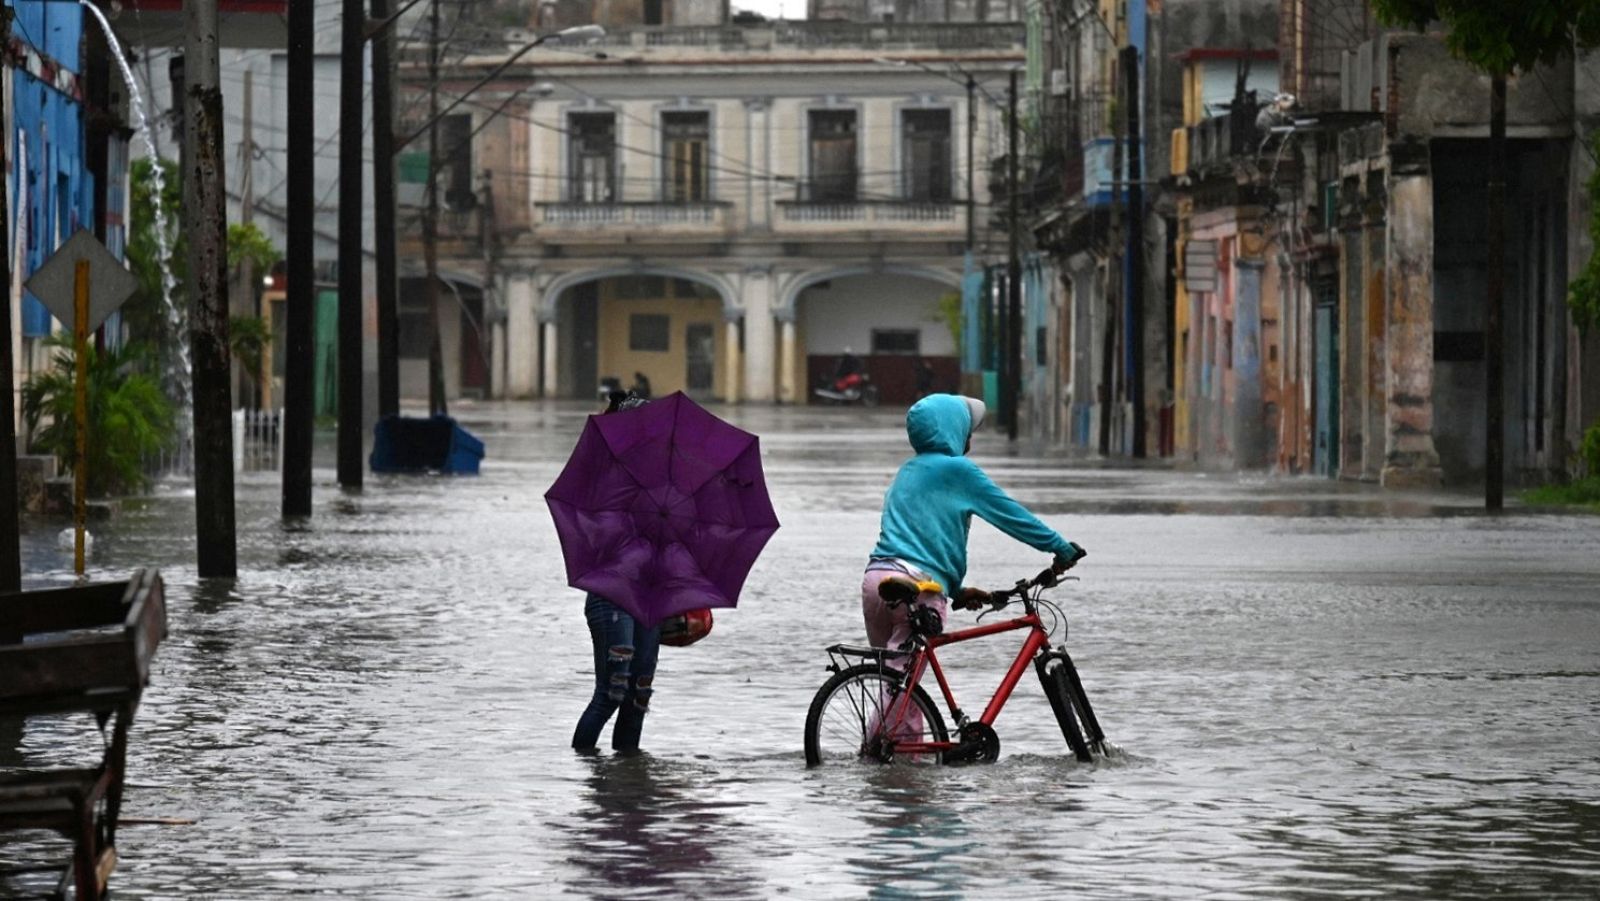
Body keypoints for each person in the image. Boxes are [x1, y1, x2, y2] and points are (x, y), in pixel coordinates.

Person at [862, 394, 1084, 659]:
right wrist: (1061, 548)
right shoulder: (959, 471)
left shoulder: (906, 472)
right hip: (917, 586)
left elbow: (915, 540)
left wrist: (957, 591)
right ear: (951, 429)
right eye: (967, 430)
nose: (970, 438)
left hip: (878, 581)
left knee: (889, 679)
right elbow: (1011, 515)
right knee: (899, 688)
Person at [572, 391, 661, 755]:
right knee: (611, 692)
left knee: (638, 697)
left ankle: (626, 786)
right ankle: (586, 775)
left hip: (649, 598)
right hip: (611, 596)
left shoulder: (662, 485)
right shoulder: (604, 476)